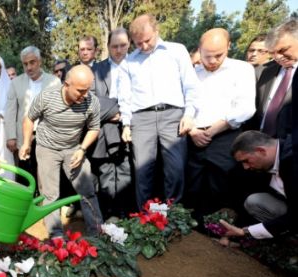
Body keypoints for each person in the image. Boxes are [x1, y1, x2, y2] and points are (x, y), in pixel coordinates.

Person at [119, 14, 200, 208]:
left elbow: (191, 85)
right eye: (138, 43)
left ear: (157, 31)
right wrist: (126, 123)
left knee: (176, 168)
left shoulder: (177, 51)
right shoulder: (128, 62)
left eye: (147, 40)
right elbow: (125, 96)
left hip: (173, 116)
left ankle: (173, 214)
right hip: (141, 118)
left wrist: (189, 114)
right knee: (142, 171)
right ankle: (144, 218)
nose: (144, 46)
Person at [19, 65, 103, 237]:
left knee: (87, 189)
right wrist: (26, 143)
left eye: (88, 90)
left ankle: (97, 232)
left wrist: (82, 149)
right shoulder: (47, 97)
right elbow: (29, 119)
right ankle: (56, 235)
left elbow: (94, 128)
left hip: (73, 148)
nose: (85, 95)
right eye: (80, 90)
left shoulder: (91, 101)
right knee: (50, 195)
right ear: (66, 84)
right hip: (47, 148)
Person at [186, 28, 256, 230]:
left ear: (229, 47)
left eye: (219, 55)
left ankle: (215, 229)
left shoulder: (242, 69)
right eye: (208, 56)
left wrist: (215, 129)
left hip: (226, 135)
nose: (213, 60)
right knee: (193, 184)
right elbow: (185, 103)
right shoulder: (192, 73)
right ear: (199, 50)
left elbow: (246, 107)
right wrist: (192, 131)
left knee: (219, 184)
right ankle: (191, 228)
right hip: (194, 136)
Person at [90, 27, 134, 218]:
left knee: (126, 170)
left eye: (123, 45)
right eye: (114, 46)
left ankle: (124, 213)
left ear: (129, 45)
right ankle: (108, 215)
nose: (119, 50)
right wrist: (116, 110)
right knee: (106, 172)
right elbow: (90, 99)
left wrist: (124, 114)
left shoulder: (137, 66)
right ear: (107, 46)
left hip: (130, 128)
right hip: (104, 126)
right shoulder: (96, 69)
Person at [220, 131, 294, 240]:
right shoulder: (271, 160)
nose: (245, 167)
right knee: (254, 201)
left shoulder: (293, 161)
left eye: (246, 161)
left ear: (261, 151)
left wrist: (245, 232)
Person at [5, 46, 59, 183]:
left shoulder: (54, 82)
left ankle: (44, 204)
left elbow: (58, 111)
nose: (29, 67)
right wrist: (11, 136)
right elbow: (10, 111)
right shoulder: (16, 83)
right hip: (23, 138)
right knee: (24, 178)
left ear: (39, 61)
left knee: (45, 177)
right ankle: (26, 204)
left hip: (47, 137)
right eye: (25, 64)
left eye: (32, 62)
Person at [245, 18, 297, 139]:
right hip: (257, 143)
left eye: (283, 50)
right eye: (272, 52)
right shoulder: (262, 71)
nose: (278, 56)